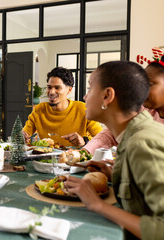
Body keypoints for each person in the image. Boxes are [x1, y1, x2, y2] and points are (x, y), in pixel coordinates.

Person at [66, 61, 164, 239]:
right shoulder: (132, 135)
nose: (85, 96)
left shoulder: (142, 143)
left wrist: (98, 205)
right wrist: (115, 174)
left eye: (90, 88)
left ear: (107, 95)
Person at [83, 51, 164, 154]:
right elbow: (114, 133)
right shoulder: (145, 111)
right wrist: (85, 152)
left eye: (149, 84)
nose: (142, 88)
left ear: (107, 95)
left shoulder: (146, 141)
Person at [22, 67, 102, 147]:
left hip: (75, 157)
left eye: (57, 88)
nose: (51, 92)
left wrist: (84, 141)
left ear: (69, 90)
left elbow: (101, 139)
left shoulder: (83, 109)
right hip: (48, 158)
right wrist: (22, 136)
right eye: (49, 87)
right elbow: (25, 134)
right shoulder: (39, 109)